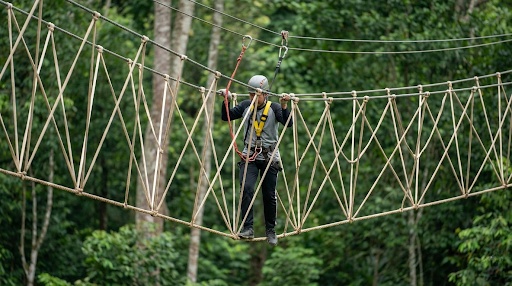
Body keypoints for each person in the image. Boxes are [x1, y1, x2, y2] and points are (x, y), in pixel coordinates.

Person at [219, 75, 292, 246]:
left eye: (256, 95)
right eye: (251, 94)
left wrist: (284, 105)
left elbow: (288, 123)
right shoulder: (245, 106)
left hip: (269, 157)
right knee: (246, 188)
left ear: (265, 94)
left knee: (269, 195)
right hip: (249, 155)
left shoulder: (274, 107)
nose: (252, 98)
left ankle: (270, 230)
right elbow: (226, 117)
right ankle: (247, 228)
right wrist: (226, 101)